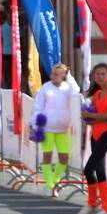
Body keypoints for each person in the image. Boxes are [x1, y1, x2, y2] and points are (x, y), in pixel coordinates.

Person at [78, 62, 107, 214]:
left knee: (88, 168)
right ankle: (99, 206)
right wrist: (90, 117)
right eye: (97, 74)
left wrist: (91, 116)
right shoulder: (96, 95)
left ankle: (102, 207)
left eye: (103, 74)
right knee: (99, 170)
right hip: (95, 134)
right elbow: (96, 119)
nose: (100, 77)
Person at [34, 63, 78, 193]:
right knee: (47, 156)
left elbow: (76, 91)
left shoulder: (68, 87)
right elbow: (38, 106)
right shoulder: (45, 87)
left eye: (57, 74)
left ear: (63, 75)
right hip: (47, 127)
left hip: (63, 128)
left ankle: (55, 179)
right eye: (52, 73)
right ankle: (50, 185)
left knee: (64, 158)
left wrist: (69, 77)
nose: (53, 76)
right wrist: (36, 124)